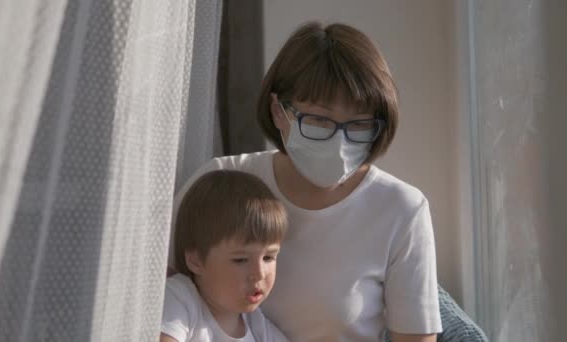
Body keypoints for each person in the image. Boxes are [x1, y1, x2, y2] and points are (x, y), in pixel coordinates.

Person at [169, 21, 442, 341]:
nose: (339, 144)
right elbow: (155, 296)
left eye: (358, 126)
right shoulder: (220, 183)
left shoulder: (401, 210)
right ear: (277, 111)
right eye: (318, 120)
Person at [161, 170, 290, 342]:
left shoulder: (256, 324)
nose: (259, 273)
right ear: (196, 259)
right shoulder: (181, 297)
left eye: (268, 258)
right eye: (241, 260)